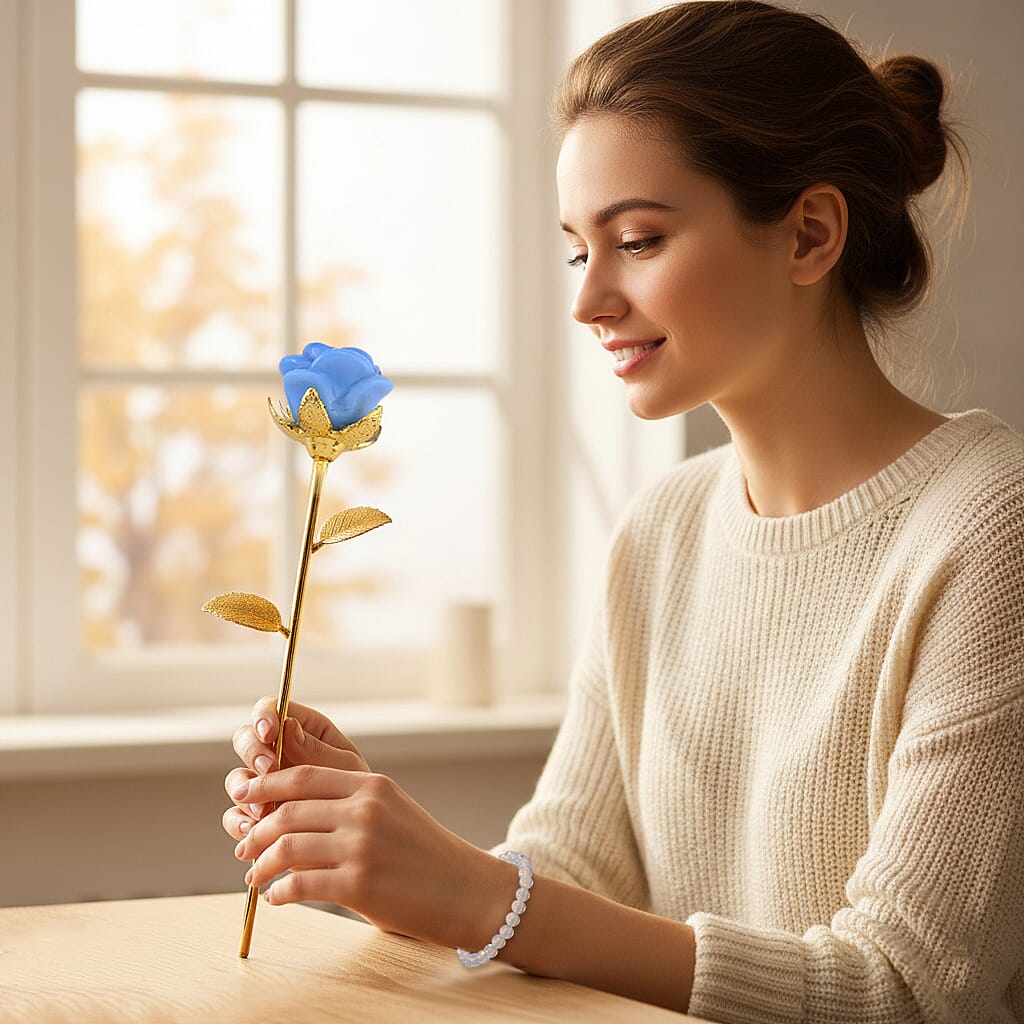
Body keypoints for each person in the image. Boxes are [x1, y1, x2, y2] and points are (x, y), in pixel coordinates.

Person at [221, 2, 1024, 1020]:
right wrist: (390, 864)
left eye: (636, 240)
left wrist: (475, 892)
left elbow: (904, 991)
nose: (587, 298)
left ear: (810, 234)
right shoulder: (662, 528)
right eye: (576, 250)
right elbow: (572, 877)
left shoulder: (989, 524)